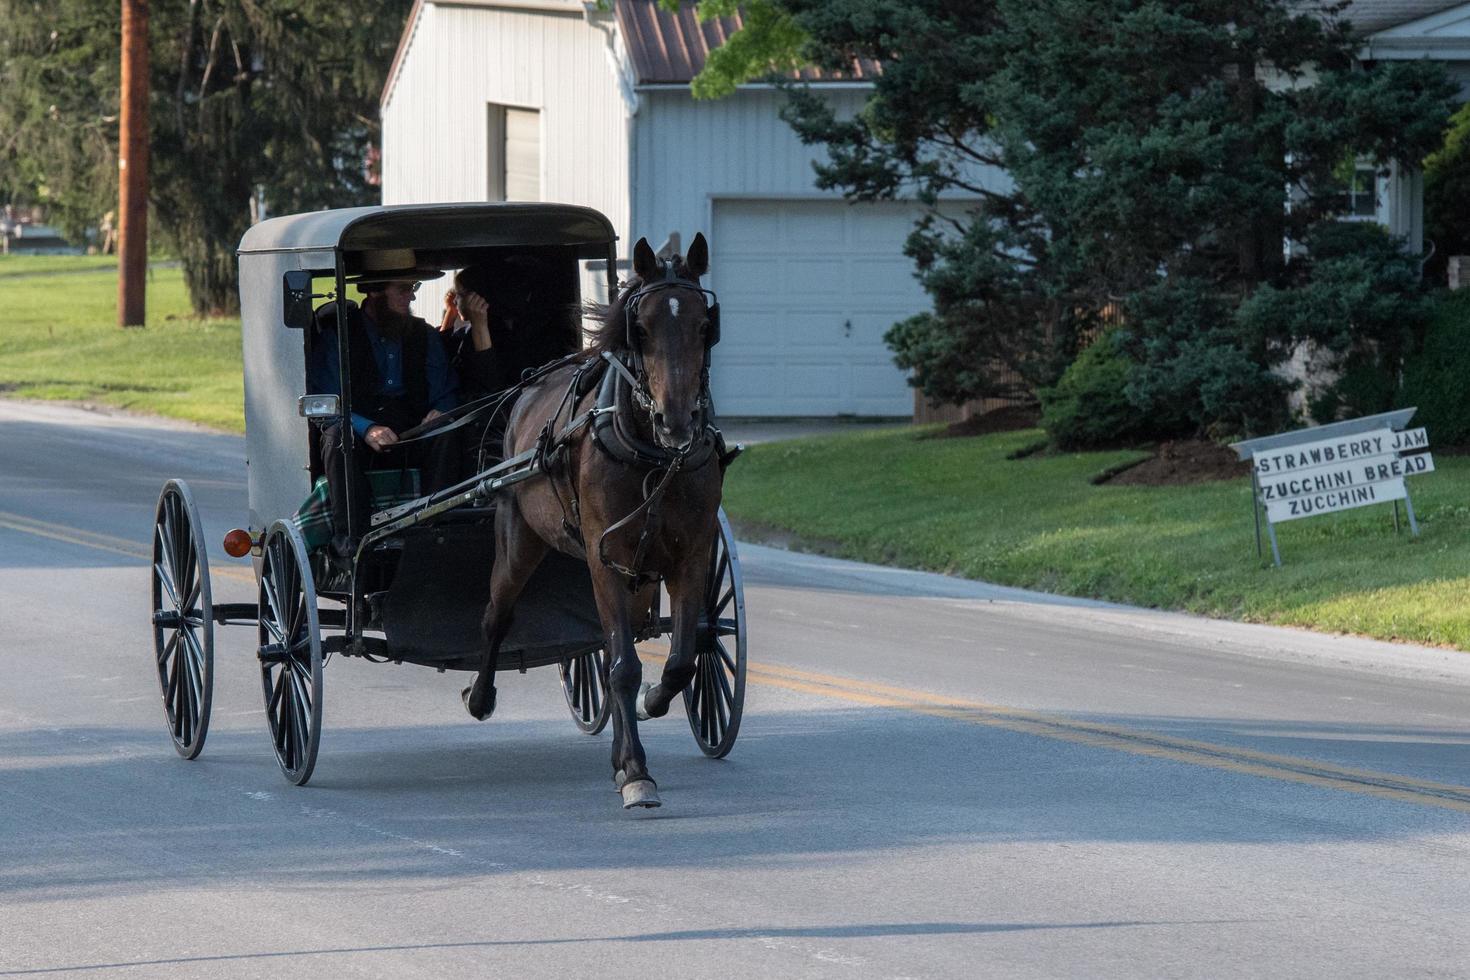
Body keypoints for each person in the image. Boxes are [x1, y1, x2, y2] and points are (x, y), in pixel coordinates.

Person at [308, 248, 461, 562]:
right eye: (403, 290)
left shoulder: (425, 336)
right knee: (338, 439)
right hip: (359, 432)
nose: (411, 299)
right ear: (375, 291)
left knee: (451, 430)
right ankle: (352, 541)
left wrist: (441, 411)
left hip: (414, 429)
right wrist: (366, 429)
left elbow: (447, 391)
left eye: (412, 289)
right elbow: (329, 403)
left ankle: (436, 530)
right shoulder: (338, 336)